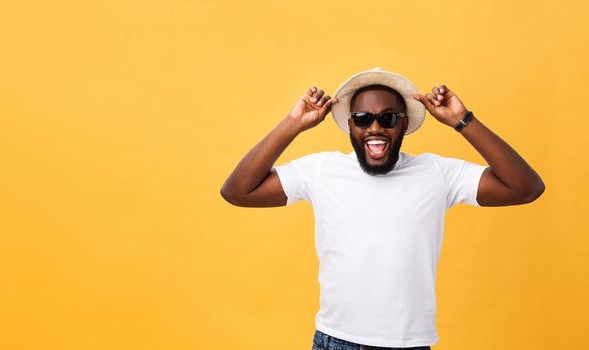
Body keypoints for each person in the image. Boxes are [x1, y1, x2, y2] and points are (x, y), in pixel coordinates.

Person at [219, 68, 545, 349]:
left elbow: (525, 187)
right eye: (363, 119)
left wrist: (463, 121)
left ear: (403, 125)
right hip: (337, 341)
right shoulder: (321, 171)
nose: (375, 128)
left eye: (387, 118)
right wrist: (292, 125)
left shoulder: (437, 173)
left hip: (407, 344)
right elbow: (237, 191)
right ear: (350, 125)